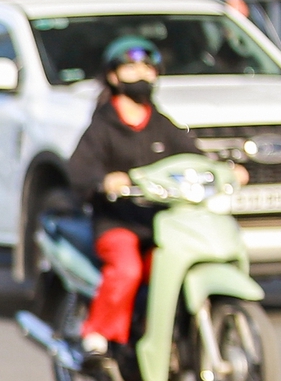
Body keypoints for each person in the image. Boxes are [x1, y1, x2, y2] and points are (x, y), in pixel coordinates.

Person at [64, 37, 241, 359]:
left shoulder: (161, 123)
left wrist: (223, 172)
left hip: (161, 222)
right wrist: (105, 181)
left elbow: (194, 158)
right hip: (117, 222)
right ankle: (97, 334)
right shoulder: (102, 126)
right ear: (114, 77)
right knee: (127, 269)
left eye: (147, 67)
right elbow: (79, 170)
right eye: (131, 68)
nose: (142, 75)